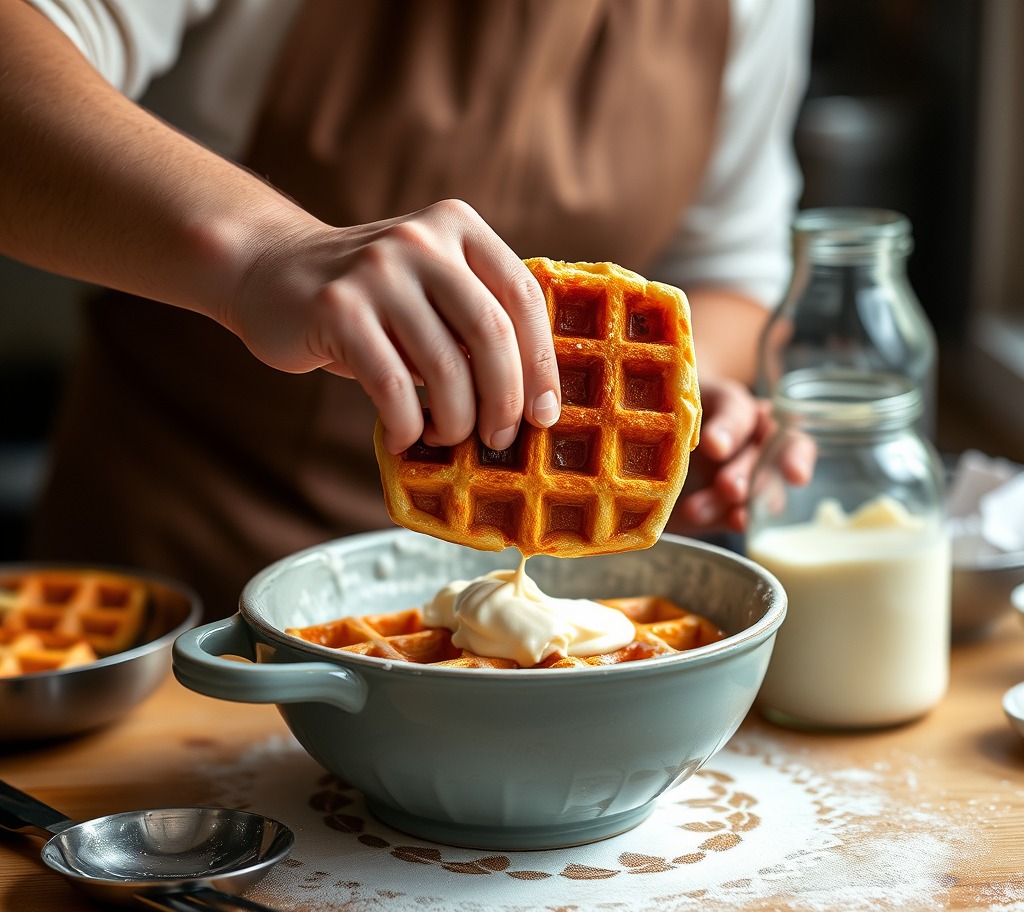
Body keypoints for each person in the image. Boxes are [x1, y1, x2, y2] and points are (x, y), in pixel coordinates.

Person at [0, 0, 812, 616]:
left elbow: (727, 271)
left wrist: (675, 407)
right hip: (184, 573)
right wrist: (262, 252)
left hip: (544, 615)